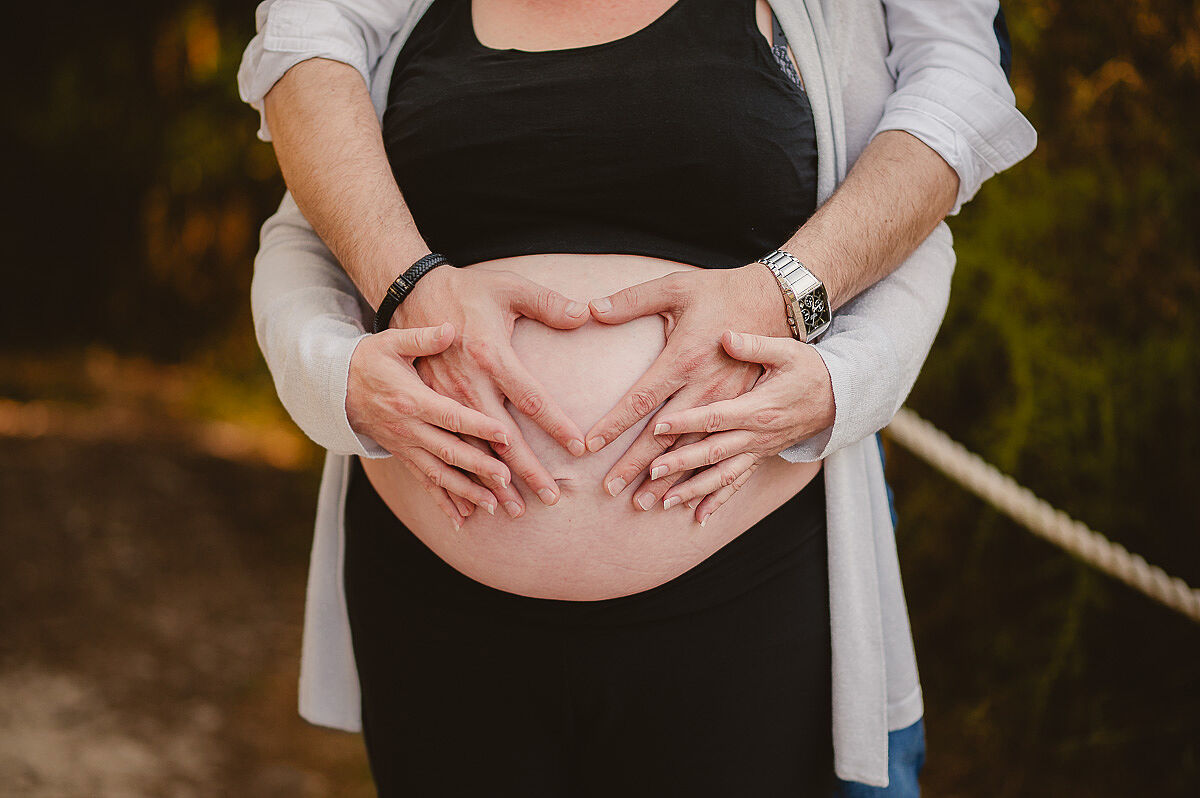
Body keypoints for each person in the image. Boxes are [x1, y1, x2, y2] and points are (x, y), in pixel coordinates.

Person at [237, 0, 1035, 794]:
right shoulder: (392, 28)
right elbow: (309, 213)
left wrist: (821, 352)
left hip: (744, 595)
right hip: (431, 602)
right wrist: (343, 368)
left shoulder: (833, 30)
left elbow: (934, 163)